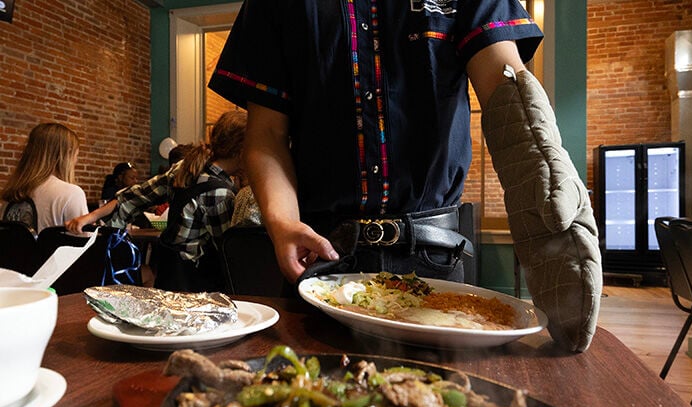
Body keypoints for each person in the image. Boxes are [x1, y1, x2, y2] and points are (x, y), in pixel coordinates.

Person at [210, 2, 602, 352]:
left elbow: (508, 96)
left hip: (436, 263)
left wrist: (548, 195)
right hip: (322, 259)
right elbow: (267, 135)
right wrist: (282, 221)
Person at [65, 111, 247, 292]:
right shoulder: (220, 193)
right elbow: (230, 257)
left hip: (168, 278)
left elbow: (133, 196)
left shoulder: (185, 167)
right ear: (241, 150)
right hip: (197, 290)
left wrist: (90, 217)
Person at [0, 122, 88, 234]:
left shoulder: (10, 195)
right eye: (76, 155)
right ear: (67, 154)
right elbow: (87, 244)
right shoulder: (72, 193)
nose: (76, 161)